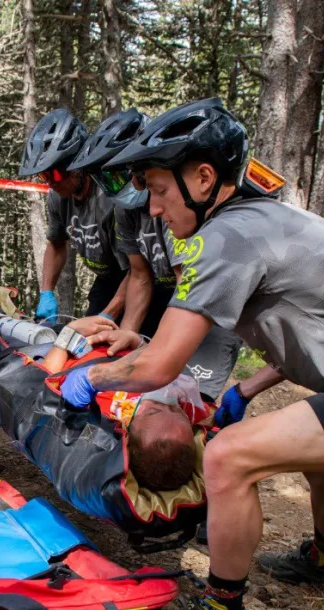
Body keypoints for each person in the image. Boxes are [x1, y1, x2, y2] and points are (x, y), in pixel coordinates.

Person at [60, 98, 324, 610]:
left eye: (160, 191)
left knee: (229, 457)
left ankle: (220, 609)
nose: (155, 209)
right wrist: (247, 391)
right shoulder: (265, 216)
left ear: (204, 178)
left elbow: (158, 367)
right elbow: (320, 326)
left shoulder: (224, 238)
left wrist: (89, 378)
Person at [67, 108, 243, 401]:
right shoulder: (126, 212)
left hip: (209, 311)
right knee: (135, 392)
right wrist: (122, 342)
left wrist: (155, 352)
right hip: (178, 301)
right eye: (104, 181)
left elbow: (192, 289)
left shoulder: (179, 207)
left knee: (184, 402)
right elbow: (139, 274)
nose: (118, 189)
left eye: (123, 178)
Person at [39, 317, 207, 492]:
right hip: (121, 342)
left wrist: (68, 334)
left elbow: (43, 386)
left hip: (72, 345)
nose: (166, 399)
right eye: (177, 410)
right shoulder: (190, 406)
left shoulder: (102, 418)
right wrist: (136, 341)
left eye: (153, 412)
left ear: (125, 434)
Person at [19, 109, 130, 322]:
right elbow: (57, 243)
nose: (51, 182)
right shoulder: (57, 198)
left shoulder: (110, 200)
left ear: (79, 165)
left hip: (134, 276)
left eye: (57, 173)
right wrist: (46, 292)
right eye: (44, 175)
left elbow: (138, 272)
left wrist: (107, 317)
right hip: (106, 280)